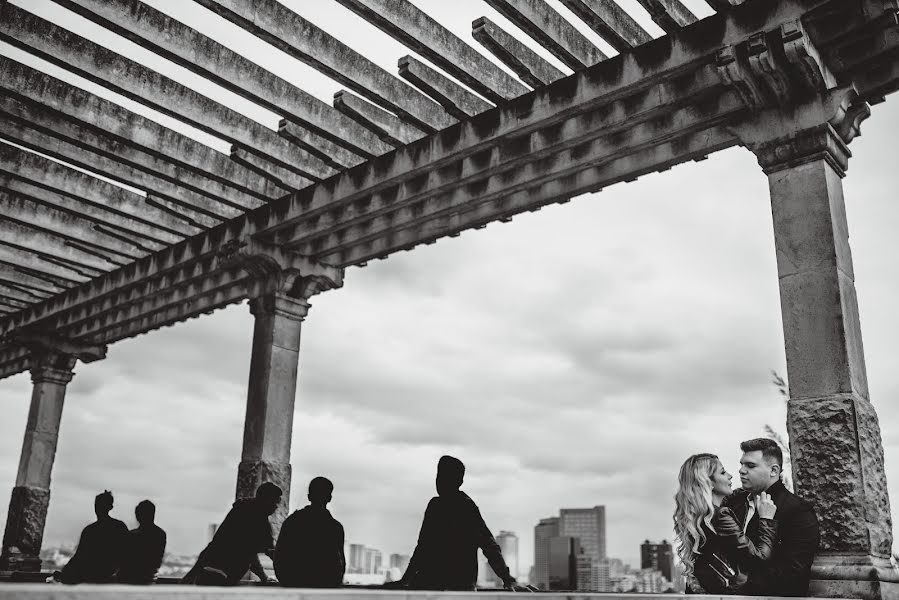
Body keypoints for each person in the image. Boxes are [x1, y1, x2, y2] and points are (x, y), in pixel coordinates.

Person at [397, 455, 531, 591]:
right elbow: (422, 548)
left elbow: (489, 545)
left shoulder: (465, 507)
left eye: (445, 477)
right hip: (439, 585)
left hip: (450, 587)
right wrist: (405, 580)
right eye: (439, 476)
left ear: (459, 481)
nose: (439, 481)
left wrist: (508, 580)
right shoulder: (436, 505)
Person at [721, 438, 819, 596]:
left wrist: (744, 585)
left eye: (750, 465)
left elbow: (795, 573)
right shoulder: (733, 504)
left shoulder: (798, 510)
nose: (741, 470)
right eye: (741, 464)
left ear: (774, 471)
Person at [674, 453, 779, 594]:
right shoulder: (721, 516)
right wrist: (766, 520)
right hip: (730, 594)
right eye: (723, 472)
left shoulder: (700, 517)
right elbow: (759, 560)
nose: (730, 476)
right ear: (709, 483)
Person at [181, 482, 282, 586]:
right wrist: (266, 577)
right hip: (218, 571)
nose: (277, 506)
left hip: (209, 565)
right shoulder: (253, 517)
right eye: (275, 501)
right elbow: (250, 552)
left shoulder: (247, 511)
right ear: (265, 499)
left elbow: (262, 551)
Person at [274, 476, 345, 587]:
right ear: (329, 498)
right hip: (325, 584)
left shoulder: (292, 522)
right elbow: (340, 564)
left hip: (293, 581)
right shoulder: (335, 528)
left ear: (309, 497)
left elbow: (279, 557)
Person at [53, 490, 128, 584]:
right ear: (110, 507)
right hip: (109, 575)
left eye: (99, 504)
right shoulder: (119, 527)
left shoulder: (90, 530)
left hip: (91, 577)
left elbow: (79, 557)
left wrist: (64, 574)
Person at [117, 500, 167, 584]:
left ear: (138, 515)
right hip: (149, 578)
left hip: (129, 579)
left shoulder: (131, 535)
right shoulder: (160, 534)